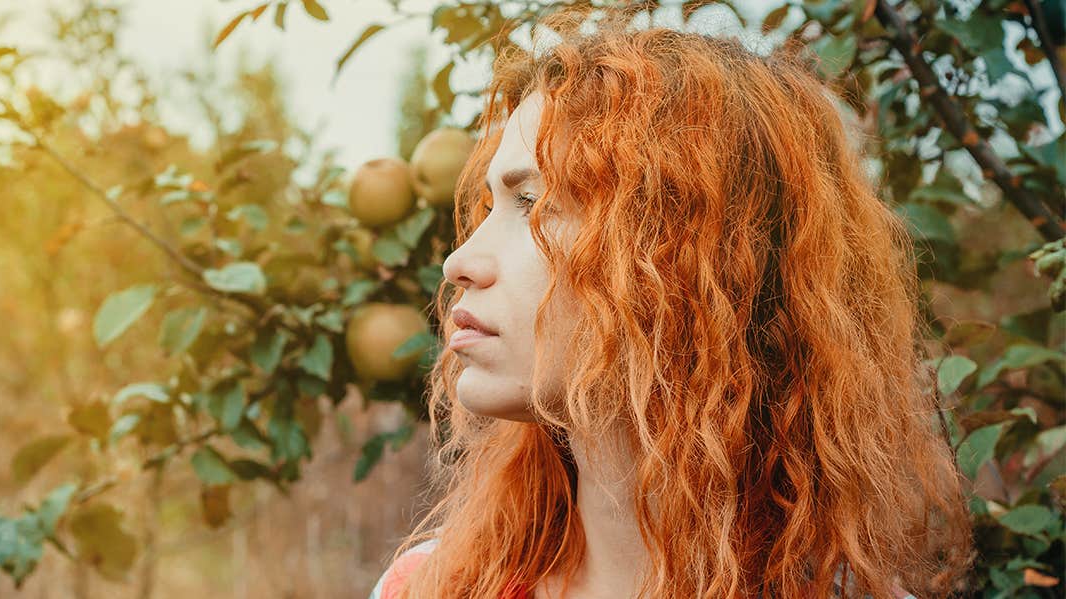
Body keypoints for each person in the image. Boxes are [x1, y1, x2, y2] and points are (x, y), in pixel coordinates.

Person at [370, 6, 975, 598]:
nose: (460, 263)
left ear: (688, 264)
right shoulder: (429, 586)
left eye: (531, 204)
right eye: (488, 209)